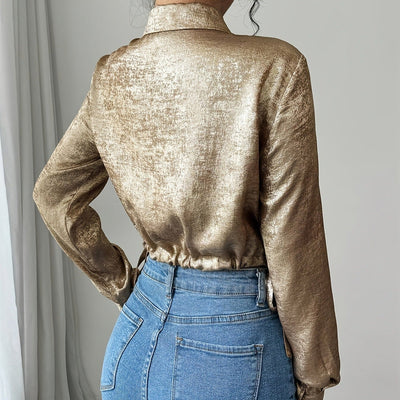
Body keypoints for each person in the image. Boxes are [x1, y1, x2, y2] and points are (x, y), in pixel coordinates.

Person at [32, 1, 341, 399]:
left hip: (134, 339)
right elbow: (294, 238)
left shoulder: (112, 73)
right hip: (231, 349)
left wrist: (122, 283)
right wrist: (315, 374)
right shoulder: (276, 67)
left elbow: (54, 194)